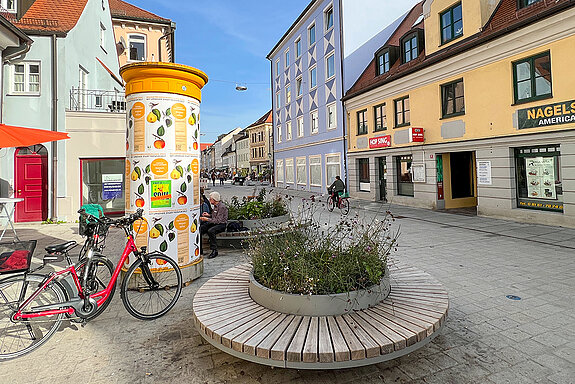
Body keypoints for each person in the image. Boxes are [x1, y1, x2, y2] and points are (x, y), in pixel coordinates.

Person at [199, 191, 228, 259]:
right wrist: (209, 215)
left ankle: (214, 250)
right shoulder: (215, 206)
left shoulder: (221, 207)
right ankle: (200, 249)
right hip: (215, 222)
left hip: (221, 224)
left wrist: (206, 219)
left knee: (211, 231)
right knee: (201, 228)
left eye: (210, 199)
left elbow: (218, 220)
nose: (209, 200)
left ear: (214, 199)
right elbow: (215, 217)